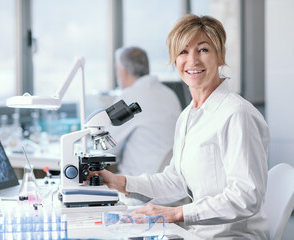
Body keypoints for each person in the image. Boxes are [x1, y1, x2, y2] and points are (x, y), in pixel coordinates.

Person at [92, 14, 270, 239]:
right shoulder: (188, 115)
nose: (193, 61)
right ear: (174, 59)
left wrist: (177, 213)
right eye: (183, 52)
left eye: (203, 50)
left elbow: (246, 197)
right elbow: (176, 181)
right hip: (199, 233)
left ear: (220, 56)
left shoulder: (237, 114)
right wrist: (121, 182)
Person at [106, 46, 182, 176]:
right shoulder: (170, 94)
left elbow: (107, 147)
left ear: (123, 73)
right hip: (171, 185)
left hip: (139, 184)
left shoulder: (129, 97)